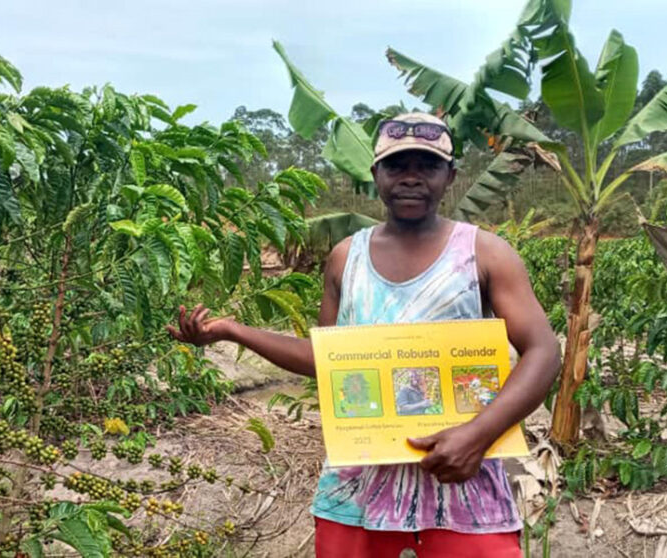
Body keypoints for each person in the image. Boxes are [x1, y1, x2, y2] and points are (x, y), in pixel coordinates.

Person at [167, 112, 560, 558]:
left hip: (463, 485)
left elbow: (543, 351)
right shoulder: (345, 258)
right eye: (397, 166)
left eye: (427, 166)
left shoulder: (484, 253)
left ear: (450, 176)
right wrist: (231, 330)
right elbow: (329, 360)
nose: (411, 178)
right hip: (357, 489)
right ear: (376, 174)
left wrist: (477, 434)